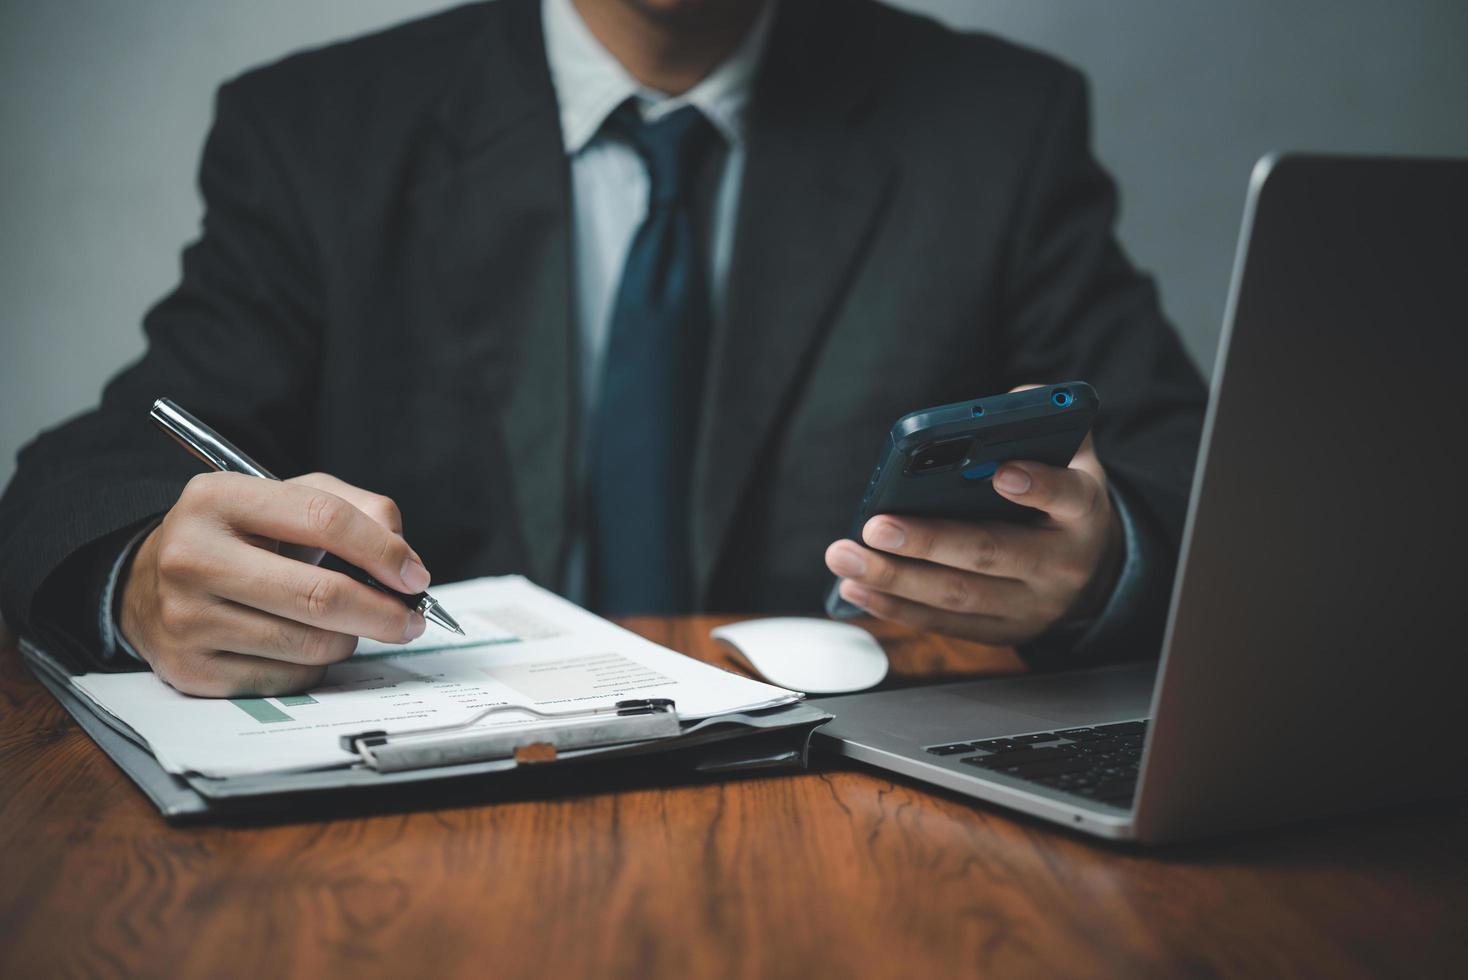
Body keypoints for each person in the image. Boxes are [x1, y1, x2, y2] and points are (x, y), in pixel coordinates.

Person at [0, 0, 1206, 697]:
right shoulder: (319, 131)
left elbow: (1193, 468)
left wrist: (1109, 563)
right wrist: (145, 573)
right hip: (427, 801)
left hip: (850, 788)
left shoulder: (997, 123)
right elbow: (93, 463)